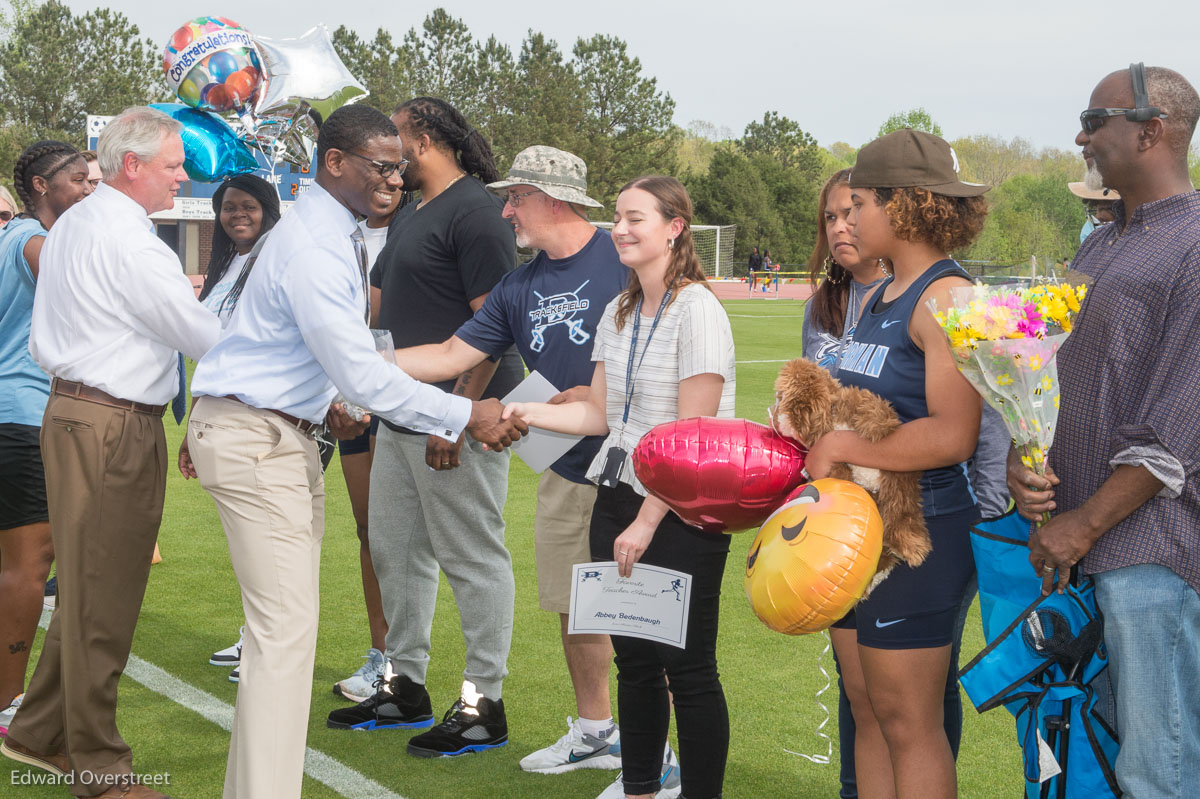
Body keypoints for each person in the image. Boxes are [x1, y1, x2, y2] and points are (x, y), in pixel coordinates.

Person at [182, 103, 525, 799]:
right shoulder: (315, 243)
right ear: (333, 162)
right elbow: (362, 365)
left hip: (281, 431)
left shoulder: (334, 229)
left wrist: (347, 400)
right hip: (260, 436)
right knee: (283, 638)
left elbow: (344, 355)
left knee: (285, 633)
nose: (393, 177)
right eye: (379, 164)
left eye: (399, 164)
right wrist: (466, 411)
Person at [386, 145, 630, 773]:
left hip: (637, 469)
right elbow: (447, 355)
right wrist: (362, 364)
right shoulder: (519, 285)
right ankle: (596, 731)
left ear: (553, 199)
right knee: (573, 604)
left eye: (515, 198)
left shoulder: (623, 257)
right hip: (566, 464)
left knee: (635, 611)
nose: (505, 212)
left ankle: (654, 755)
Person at [0, 107, 221, 799]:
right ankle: (100, 771)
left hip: (77, 414)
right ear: (134, 166)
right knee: (104, 603)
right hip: (109, 423)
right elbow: (200, 334)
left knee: (90, 595)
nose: (182, 176)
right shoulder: (127, 238)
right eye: (174, 164)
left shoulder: (75, 225)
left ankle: (39, 731)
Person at [504, 175, 736, 799]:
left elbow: (692, 435)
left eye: (637, 218)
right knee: (634, 664)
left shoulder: (699, 309)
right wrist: (523, 413)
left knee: (686, 670)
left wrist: (646, 520)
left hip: (680, 512)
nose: (622, 229)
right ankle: (639, 787)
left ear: (674, 228)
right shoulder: (621, 309)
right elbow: (599, 415)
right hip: (617, 498)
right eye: (619, 218)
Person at [1008, 64, 1200, 799]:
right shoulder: (1100, 244)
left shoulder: (1192, 245)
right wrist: (1025, 465)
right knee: (1097, 755)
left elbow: (1177, 430)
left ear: (1152, 131)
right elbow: (1058, 384)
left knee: (1161, 772)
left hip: (1154, 558)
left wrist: (1081, 524)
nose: (1081, 136)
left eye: (1097, 121)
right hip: (1082, 549)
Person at [325, 97, 524, 759]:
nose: (388, 145)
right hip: (402, 413)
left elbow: (494, 327)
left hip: (455, 418)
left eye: (398, 133)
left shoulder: (476, 212)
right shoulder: (412, 210)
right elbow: (380, 306)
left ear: (427, 137)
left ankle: (483, 703)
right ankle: (405, 682)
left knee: (472, 556)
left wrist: (458, 417)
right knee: (394, 549)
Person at [798, 168, 1005, 798]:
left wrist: (842, 444)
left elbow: (953, 434)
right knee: (870, 710)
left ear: (905, 205)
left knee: (910, 722)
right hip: (862, 528)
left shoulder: (945, 297)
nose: (848, 220)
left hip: (923, 531)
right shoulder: (886, 291)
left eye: (859, 204)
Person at [0, 141, 93, 738]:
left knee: (27, 561)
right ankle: (10, 700)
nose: (89, 188)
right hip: (25, 416)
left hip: (18, 413)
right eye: (79, 179)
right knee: (30, 566)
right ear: (40, 185)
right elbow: (71, 280)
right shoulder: (32, 238)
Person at [195, 174, 282, 683]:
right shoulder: (227, 263)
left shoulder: (273, 257)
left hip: (274, 419)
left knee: (273, 541)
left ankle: (269, 647)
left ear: (269, 209)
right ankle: (256, 634)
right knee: (252, 543)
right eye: (228, 208)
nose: (237, 215)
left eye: (249, 206)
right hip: (229, 416)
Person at [329, 183, 404, 704]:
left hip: (404, 394)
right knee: (369, 529)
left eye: (394, 173)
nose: (385, 185)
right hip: (346, 397)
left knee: (402, 537)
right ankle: (382, 656)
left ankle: (403, 662)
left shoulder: (417, 234)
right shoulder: (334, 234)